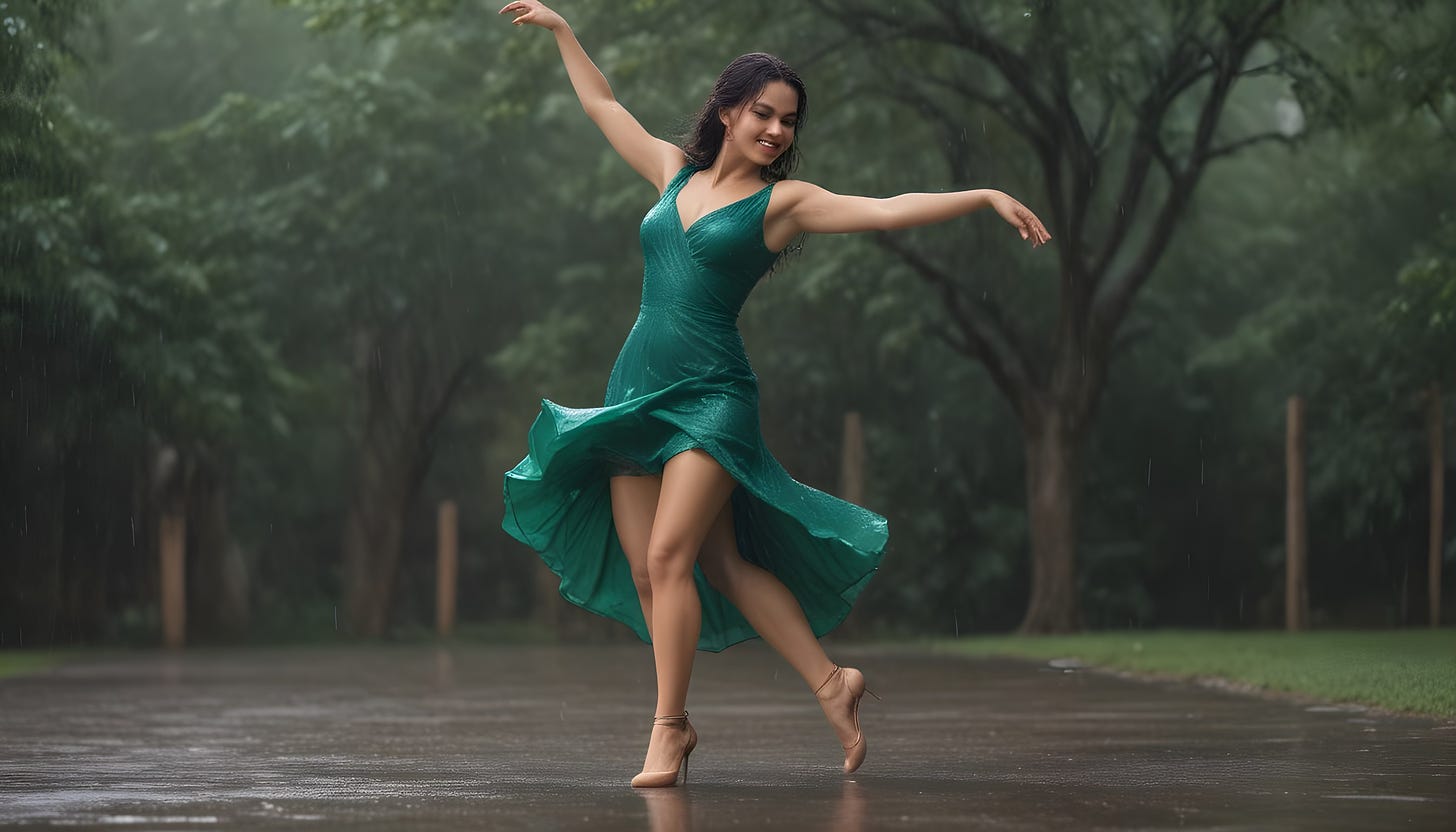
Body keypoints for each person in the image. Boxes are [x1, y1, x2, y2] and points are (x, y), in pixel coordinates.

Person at [497, 0, 1050, 789]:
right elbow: (603, 104)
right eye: (764, 113)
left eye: (789, 122)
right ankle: (831, 683)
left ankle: (667, 730)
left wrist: (983, 195)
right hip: (634, 393)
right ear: (728, 110)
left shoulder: (782, 204)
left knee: (669, 552)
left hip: (714, 396)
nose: (778, 132)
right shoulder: (671, 173)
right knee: (694, 565)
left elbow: (887, 210)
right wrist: (563, 31)